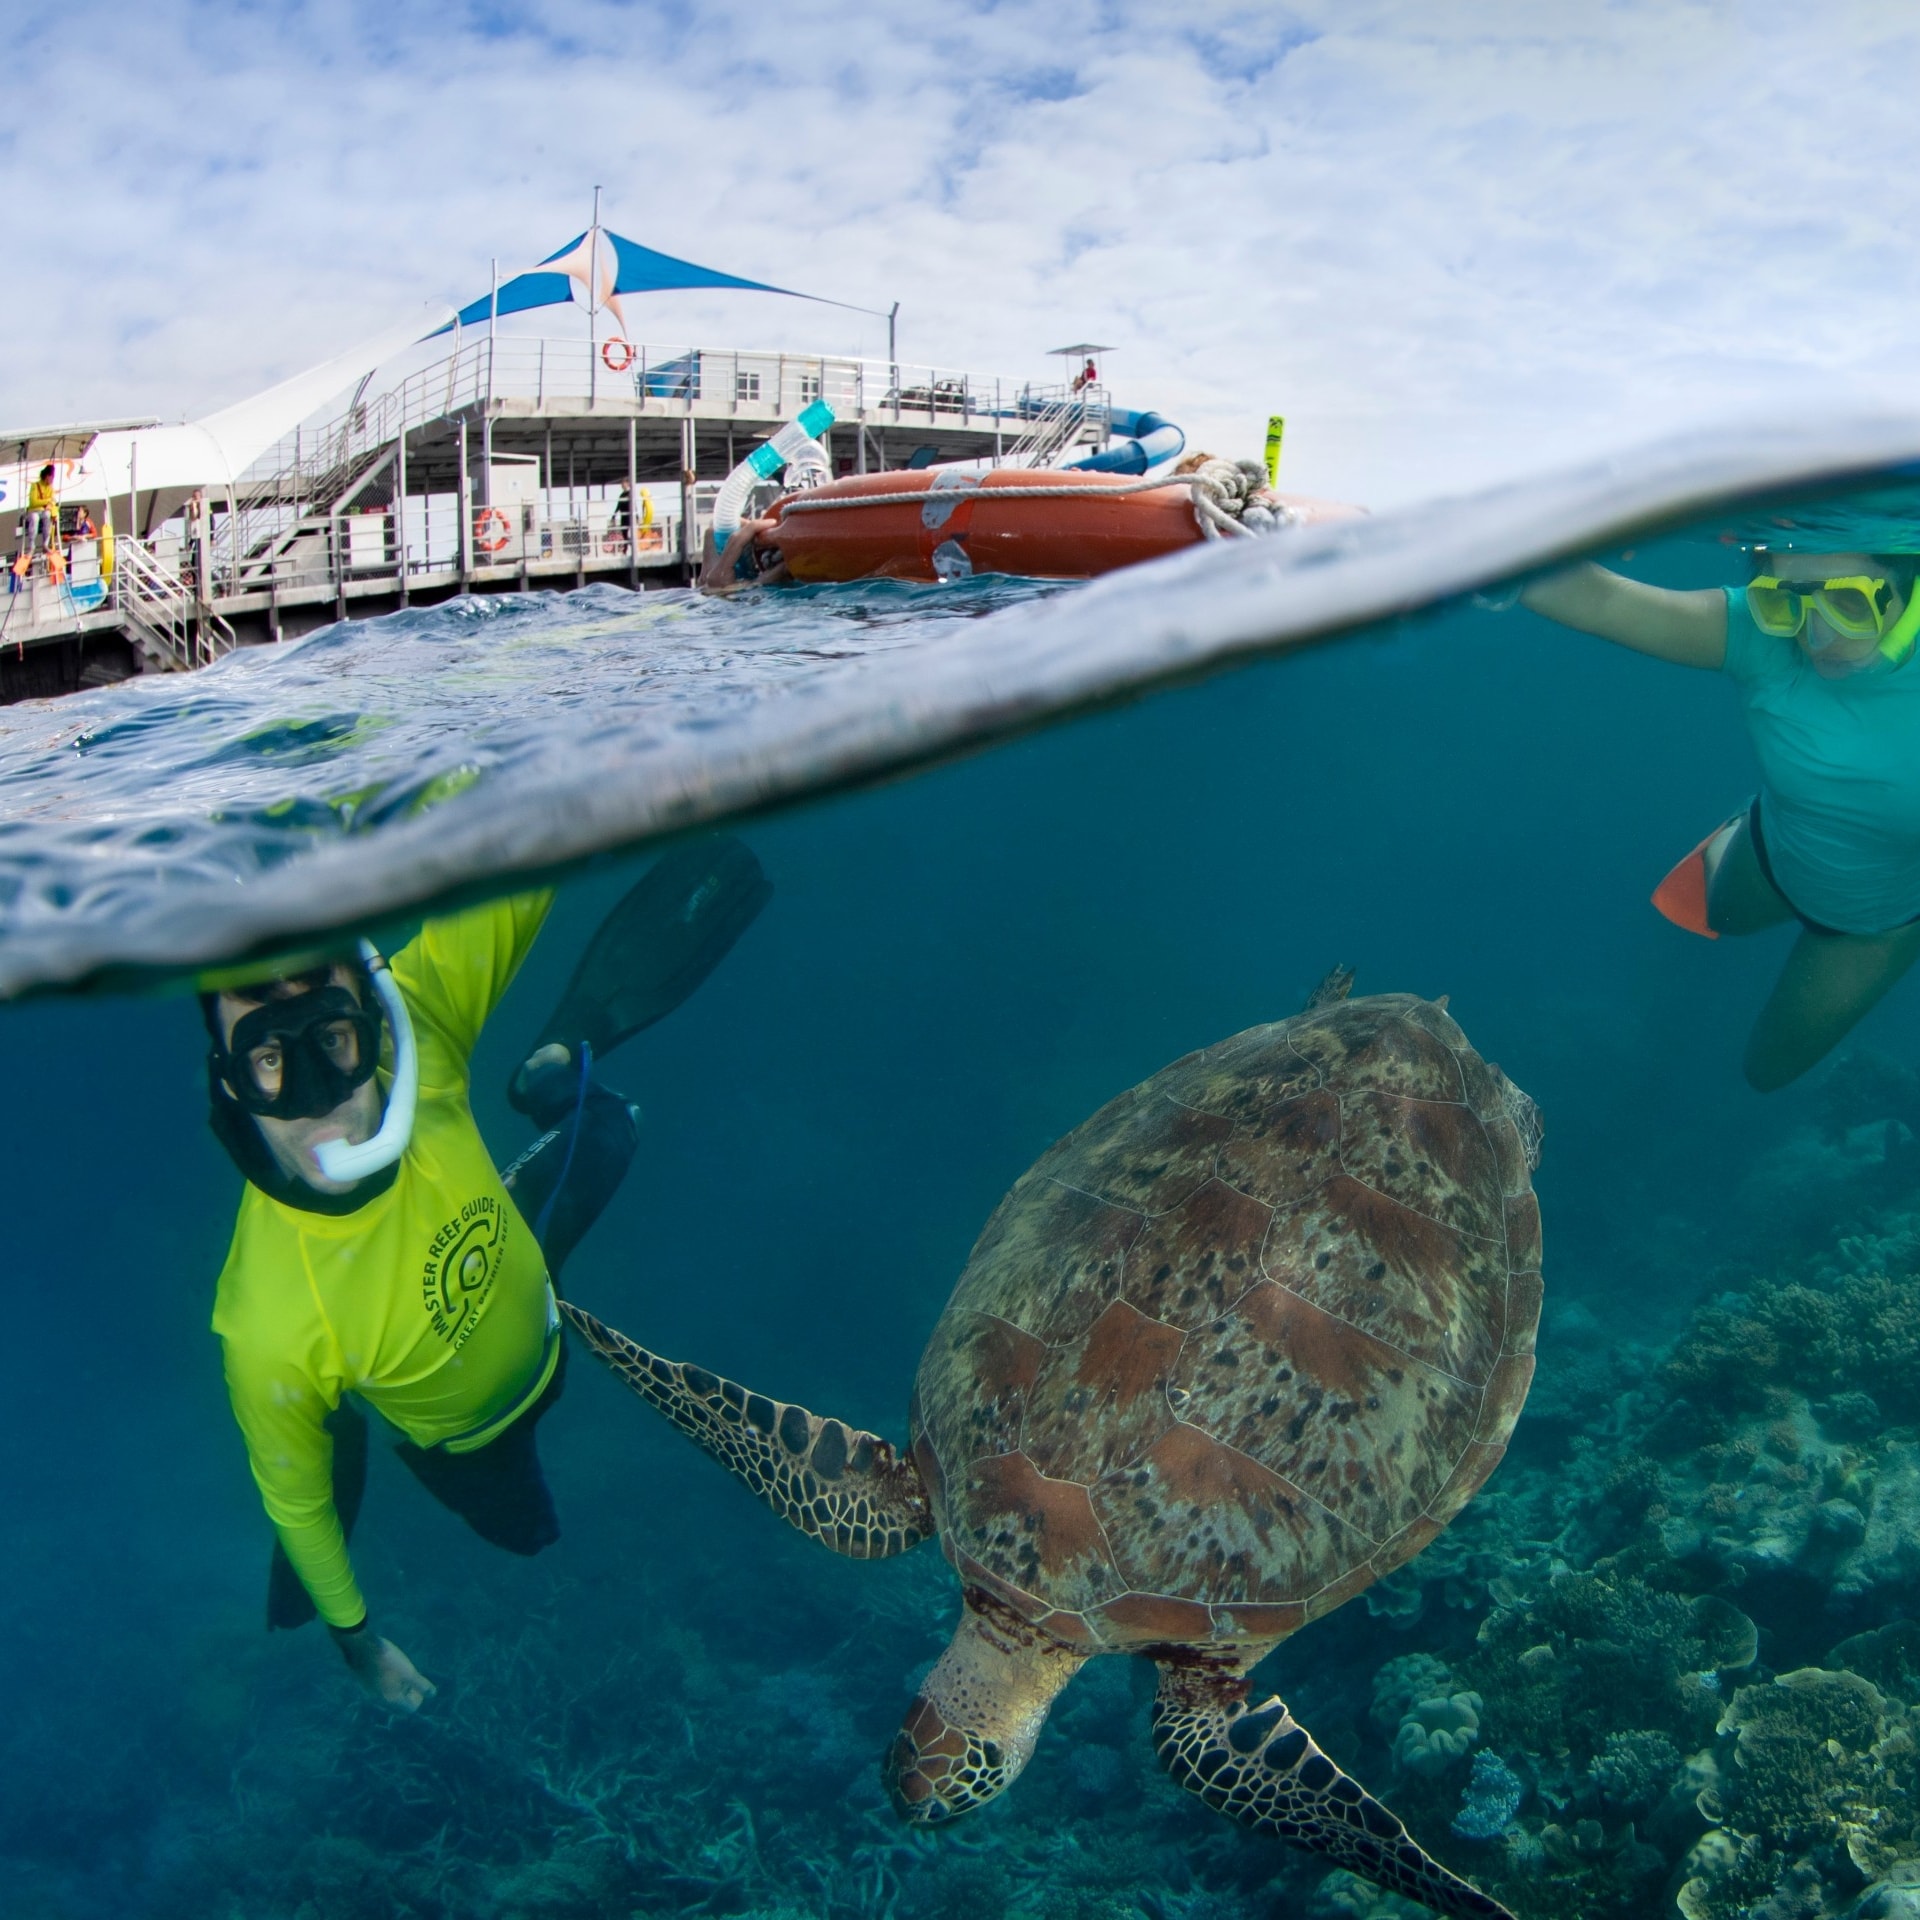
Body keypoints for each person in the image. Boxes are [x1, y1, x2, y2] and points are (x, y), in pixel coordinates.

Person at [204, 838, 770, 1710]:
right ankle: (339, 1419)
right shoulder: (269, 1321)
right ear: (231, 1084)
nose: (321, 1100)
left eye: (334, 1040)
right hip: (472, 1443)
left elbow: (519, 846)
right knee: (529, 1533)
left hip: (535, 1287)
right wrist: (359, 1642)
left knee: (616, 1128)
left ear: (373, 1020)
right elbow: (297, 1506)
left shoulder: (416, 1038)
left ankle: (548, 1080)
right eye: (271, 1060)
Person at [1521, 500, 1920, 1090]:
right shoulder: (1762, 638)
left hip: (1878, 921)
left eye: (1849, 602)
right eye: (1787, 601)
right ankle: (1745, 823)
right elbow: (1600, 599)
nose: (1817, 633)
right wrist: (1456, 550)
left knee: (1766, 1071)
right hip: (1772, 850)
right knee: (1723, 917)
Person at [23, 464, 56, 554]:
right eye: (52, 477)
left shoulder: (50, 488)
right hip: (33, 511)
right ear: (47, 476)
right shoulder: (35, 485)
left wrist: (50, 504)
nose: (53, 480)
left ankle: (45, 544)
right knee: (35, 518)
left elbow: (53, 501)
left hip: (44, 512)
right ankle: (32, 546)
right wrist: (47, 501)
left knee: (48, 515)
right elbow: (33, 502)